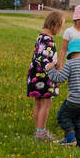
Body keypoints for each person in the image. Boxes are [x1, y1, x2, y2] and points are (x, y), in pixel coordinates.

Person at [26, 10, 65, 142]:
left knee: (38, 102)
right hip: (44, 77)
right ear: (55, 24)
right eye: (61, 27)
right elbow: (44, 58)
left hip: (35, 74)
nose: (60, 30)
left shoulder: (40, 36)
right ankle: (41, 134)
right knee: (46, 103)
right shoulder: (48, 40)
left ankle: (38, 130)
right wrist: (54, 70)